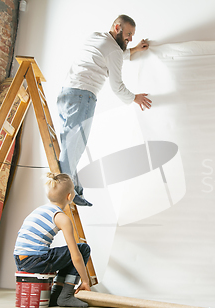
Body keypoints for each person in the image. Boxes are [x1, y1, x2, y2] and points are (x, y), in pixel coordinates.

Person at [57, 14, 152, 206]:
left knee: (69, 147)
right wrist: (135, 98)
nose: (130, 38)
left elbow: (113, 52)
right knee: (74, 148)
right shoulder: (114, 52)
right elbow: (117, 86)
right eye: (128, 34)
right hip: (84, 96)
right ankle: (66, 192)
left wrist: (133, 49)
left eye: (132, 35)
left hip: (66, 93)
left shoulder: (96, 37)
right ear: (117, 27)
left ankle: (74, 188)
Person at [14, 172, 92, 308]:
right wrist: (85, 281)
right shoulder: (62, 218)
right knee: (82, 249)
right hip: (35, 260)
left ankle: (56, 294)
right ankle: (66, 295)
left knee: (66, 254)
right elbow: (76, 256)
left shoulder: (40, 210)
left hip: (20, 260)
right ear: (70, 196)